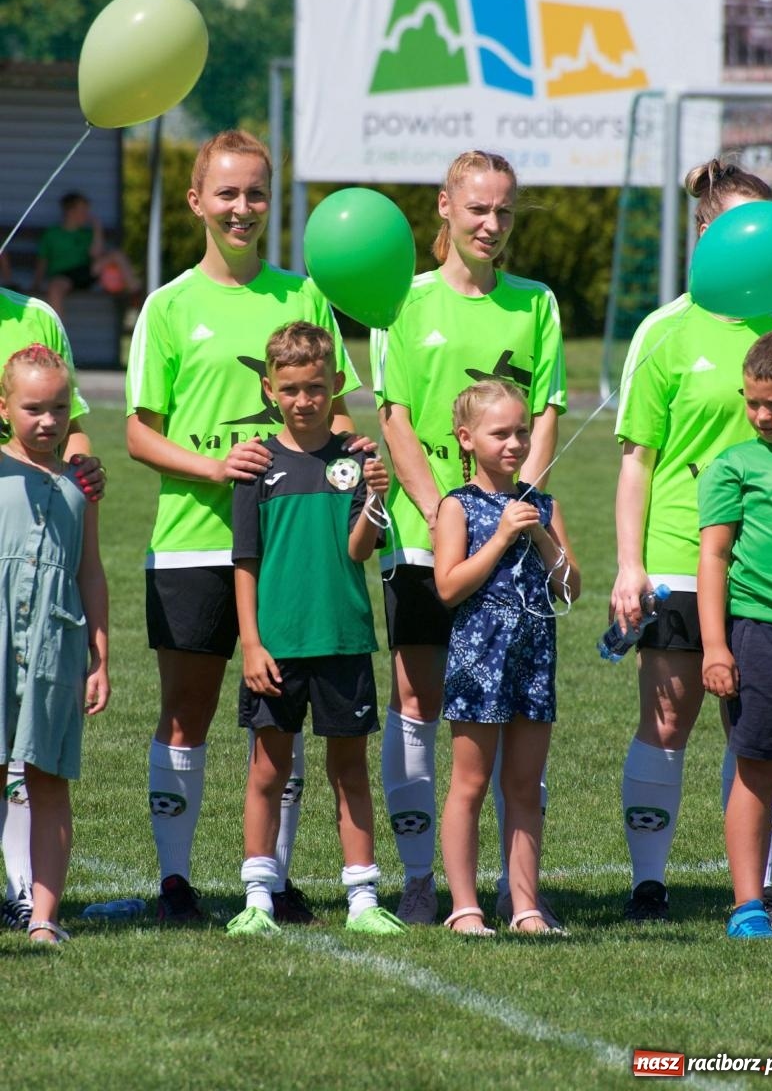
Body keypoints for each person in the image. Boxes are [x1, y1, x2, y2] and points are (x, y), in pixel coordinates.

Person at [126, 130, 364, 925]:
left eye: (256, 193)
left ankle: (277, 879)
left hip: (295, 550)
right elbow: (139, 433)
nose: (241, 207)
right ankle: (175, 881)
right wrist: (217, 469)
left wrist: (356, 449)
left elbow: (337, 408)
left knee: (284, 723)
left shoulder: (302, 296)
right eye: (226, 193)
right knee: (185, 714)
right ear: (196, 200)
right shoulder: (168, 306)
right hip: (193, 544)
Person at [370, 149, 566, 925]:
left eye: (505, 211)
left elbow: (545, 413)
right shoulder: (403, 301)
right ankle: (424, 879)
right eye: (478, 208)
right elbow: (394, 419)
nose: (492, 224)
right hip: (431, 536)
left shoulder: (537, 303)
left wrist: (523, 504)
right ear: (444, 209)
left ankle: (520, 893)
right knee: (419, 698)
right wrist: (443, 509)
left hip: (514, 540)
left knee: (520, 706)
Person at [611, 157, 772, 925]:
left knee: (757, 729)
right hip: (678, 557)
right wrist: (630, 565)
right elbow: (635, 460)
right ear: (707, 232)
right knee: (668, 717)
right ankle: (648, 884)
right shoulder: (665, 329)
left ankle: (747, 892)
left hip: (762, 575)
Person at [228, 322, 406, 936]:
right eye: (290, 389)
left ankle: (361, 898)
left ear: (335, 385)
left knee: (349, 771)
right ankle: (257, 895)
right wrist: (251, 643)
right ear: (269, 388)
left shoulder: (355, 460)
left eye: (315, 388)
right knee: (268, 770)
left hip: (343, 639)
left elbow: (359, 550)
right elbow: (245, 562)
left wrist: (378, 501)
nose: (303, 401)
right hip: (275, 646)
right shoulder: (257, 465)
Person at [434, 380, 579, 934]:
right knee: (469, 783)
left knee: (524, 785)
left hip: (533, 655)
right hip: (479, 655)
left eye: (523, 431)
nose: (515, 443)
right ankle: (464, 907)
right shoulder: (458, 506)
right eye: (501, 433)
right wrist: (497, 539)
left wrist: (543, 539)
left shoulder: (543, 504)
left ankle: (525, 906)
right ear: (467, 439)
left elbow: (570, 589)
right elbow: (448, 588)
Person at [0, 282, 105, 931]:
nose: (48, 421)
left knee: (48, 777)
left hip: (54, 644)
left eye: (59, 408)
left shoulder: (79, 485)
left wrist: (101, 655)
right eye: (33, 409)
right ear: (5, 408)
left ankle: (43, 916)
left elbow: (91, 572)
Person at [698, 330, 772, 938]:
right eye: (753, 401)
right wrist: (716, 645)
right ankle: (748, 906)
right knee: (757, 769)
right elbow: (713, 559)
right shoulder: (734, 466)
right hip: (761, 636)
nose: (761, 415)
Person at [32, 191, 140, 319]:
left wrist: (97, 228)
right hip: (64, 276)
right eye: (83, 211)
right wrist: (36, 283)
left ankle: (135, 294)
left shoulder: (86, 234)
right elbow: (42, 260)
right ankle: (58, 330)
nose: (86, 215)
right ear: (70, 212)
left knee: (116, 255)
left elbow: (96, 254)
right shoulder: (52, 234)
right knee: (55, 288)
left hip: (87, 272)